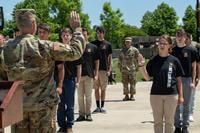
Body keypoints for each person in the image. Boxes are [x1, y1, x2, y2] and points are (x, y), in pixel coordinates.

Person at [0, 9, 85, 133]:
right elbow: (75, 52)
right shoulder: (44, 46)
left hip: (18, 109)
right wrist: (77, 30)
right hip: (43, 110)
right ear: (34, 24)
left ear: (18, 25)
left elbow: (3, 79)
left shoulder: (5, 50)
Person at [139, 35, 184, 133]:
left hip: (171, 96)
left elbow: (179, 80)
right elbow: (147, 77)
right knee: (158, 122)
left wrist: (181, 96)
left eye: (165, 43)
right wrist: (141, 65)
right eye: (160, 43)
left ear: (169, 46)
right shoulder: (153, 60)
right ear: (158, 45)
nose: (162, 45)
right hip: (156, 95)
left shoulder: (174, 60)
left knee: (169, 122)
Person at [57, 27, 82, 133]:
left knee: (70, 105)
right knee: (60, 104)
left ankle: (69, 125)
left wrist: (78, 81)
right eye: (64, 35)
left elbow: (79, 67)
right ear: (61, 37)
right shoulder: (57, 49)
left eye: (68, 35)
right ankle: (61, 125)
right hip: (58, 82)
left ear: (71, 37)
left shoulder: (75, 50)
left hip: (70, 80)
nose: (66, 36)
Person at [172, 29, 198, 133]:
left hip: (187, 80)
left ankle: (185, 127)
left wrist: (193, 81)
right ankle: (177, 126)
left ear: (185, 37)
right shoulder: (172, 51)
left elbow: (194, 67)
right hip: (175, 80)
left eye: (181, 35)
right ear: (176, 37)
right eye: (177, 35)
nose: (179, 37)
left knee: (186, 104)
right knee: (176, 104)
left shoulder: (192, 50)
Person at [38, 23, 60, 133]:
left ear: (49, 34)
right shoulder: (33, 46)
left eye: (44, 33)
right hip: (36, 94)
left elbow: (61, 68)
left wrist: (60, 85)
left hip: (50, 91)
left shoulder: (54, 46)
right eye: (39, 32)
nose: (41, 35)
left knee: (50, 123)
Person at [76, 28, 99, 122]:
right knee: (80, 96)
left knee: (88, 96)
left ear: (88, 35)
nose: (83, 36)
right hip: (78, 76)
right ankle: (81, 114)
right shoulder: (76, 47)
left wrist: (96, 74)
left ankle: (88, 114)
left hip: (89, 75)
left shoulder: (93, 47)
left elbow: (97, 61)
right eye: (82, 35)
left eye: (85, 34)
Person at [91, 26, 112, 113]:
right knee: (96, 89)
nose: (99, 34)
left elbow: (110, 58)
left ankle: (102, 107)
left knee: (103, 89)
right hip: (95, 70)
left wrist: (109, 69)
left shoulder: (108, 44)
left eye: (101, 32)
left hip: (104, 69)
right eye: (98, 33)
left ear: (104, 33)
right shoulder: (93, 44)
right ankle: (97, 107)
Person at [118, 37, 140, 101]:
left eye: (129, 41)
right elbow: (120, 59)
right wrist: (120, 67)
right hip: (124, 69)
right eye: (126, 41)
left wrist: (137, 67)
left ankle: (132, 95)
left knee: (133, 82)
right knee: (125, 83)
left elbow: (138, 58)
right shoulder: (122, 50)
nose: (127, 42)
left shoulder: (135, 50)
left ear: (131, 42)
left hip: (132, 69)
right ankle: (126, 95)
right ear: (124, 42)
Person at [185, 33, 200, 122]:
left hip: (192, 77)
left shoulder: (194, 50)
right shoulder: (180, 49)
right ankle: (183, 113)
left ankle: (190, 113)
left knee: (191, 96)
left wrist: (198, 77)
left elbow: (198, 65)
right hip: (182, 77)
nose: (186, 40)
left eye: (188, 38)